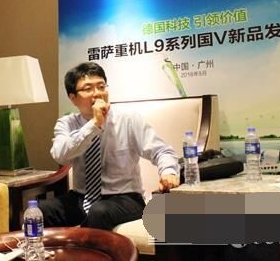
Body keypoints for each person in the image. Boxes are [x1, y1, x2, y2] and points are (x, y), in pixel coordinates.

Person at [39, 62, 180, 230]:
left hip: (125, 198)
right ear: (73, 98)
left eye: (101, 86)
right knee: (41, 210)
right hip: (81, 197)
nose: (97, 93)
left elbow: (161, 150)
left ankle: (83, 246)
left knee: (98, 211)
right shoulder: (67, 123)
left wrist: (168, 171)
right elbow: (61, 155)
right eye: (88, 89)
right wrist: (94, 125)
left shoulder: (128, 120)